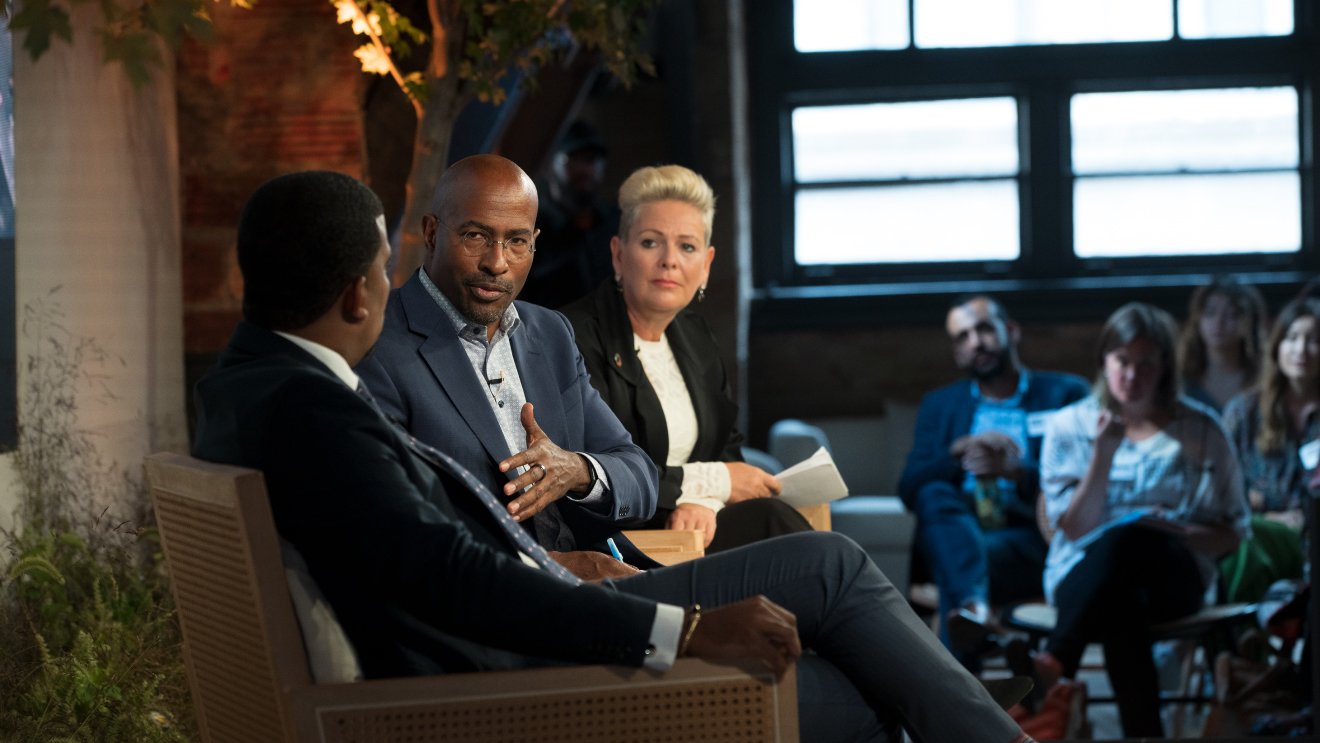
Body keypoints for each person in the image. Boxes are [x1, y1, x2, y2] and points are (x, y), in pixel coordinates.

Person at [192, 169, 1039, 743]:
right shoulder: (315, 409)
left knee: (831, 563)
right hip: (516, 674)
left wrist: (575, 504)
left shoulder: (254, 385)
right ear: (361, 291)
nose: (496, 261)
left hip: (549, 604)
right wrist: (685, 629)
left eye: (518, 239)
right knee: (861, 692)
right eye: (387, 267)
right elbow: (453, 575)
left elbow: (607, 474)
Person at [356, 156, 658, 564]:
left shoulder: (551, 333)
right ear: (431, 233)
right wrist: (554, 571)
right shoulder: (375, 343)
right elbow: (398, 528)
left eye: (517, 241)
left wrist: (576, 470)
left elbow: (640, 478)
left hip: (611, 570)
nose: (497, 263)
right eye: (476, 236)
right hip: (504, 591)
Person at [560, 165, 811, 552]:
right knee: (777, 526)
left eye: (687, 247)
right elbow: (593, 470)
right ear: (618, 254)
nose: (669, 260)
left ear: (706, 265)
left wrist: (703, 502)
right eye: (650, 242)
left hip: (694, 532)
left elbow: (726, 448)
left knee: (798, 536)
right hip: (618, 543)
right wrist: (712, 485)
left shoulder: (696, 336)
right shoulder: (570, 336)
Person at [1038, 302, 1251, 738]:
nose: (1132, 376)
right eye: (1122, 361)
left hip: (1176, 580)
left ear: (1165, 366)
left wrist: (1178, 533)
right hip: (1080, 581)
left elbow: (1234, 533)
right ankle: (1146, 735)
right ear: (1104, 360)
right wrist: (1102, 456)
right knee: (1124, 600)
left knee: (1134, 537)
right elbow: (1074, 530)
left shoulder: (1202, 429)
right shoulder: (1069, 426)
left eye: (1146, 364)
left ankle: (1056, 662)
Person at [898, 295, 1090, 665]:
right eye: (963, 336)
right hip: (960, 528)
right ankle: (976, 613)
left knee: (960, 565)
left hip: (1031, 539)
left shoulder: (1065, 394)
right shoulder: (940, 405)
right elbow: (908, 488)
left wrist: (1016, 470)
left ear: (1012, 331)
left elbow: (1087, 480)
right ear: (957, 353)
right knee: (933, 493)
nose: (976, 342)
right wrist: (955, 454)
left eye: (984, 329)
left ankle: (971, 622)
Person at [1218, 297, 1315, 602]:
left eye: (1314, 341)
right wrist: (1269, 515)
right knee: (1246, 539)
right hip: (1255, 529)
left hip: (1312, 536)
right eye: (1292, 338)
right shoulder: (1244, 412)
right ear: (1277, 346)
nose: (1300, 350)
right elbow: (1218, 487)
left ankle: (1238, 633)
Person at [517, 121, 619, 309]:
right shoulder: (527, 230)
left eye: (592, 160)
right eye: (573, 159)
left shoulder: (617, 222)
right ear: (549, 167)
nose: (585, 169)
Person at [1178, 276, 1267, 413]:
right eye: (1210, 313)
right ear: (1197, 320)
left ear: (1249, 323)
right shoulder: (1182, 382)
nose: (1219, 322)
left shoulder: (1263, 381)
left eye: (1230, 314)